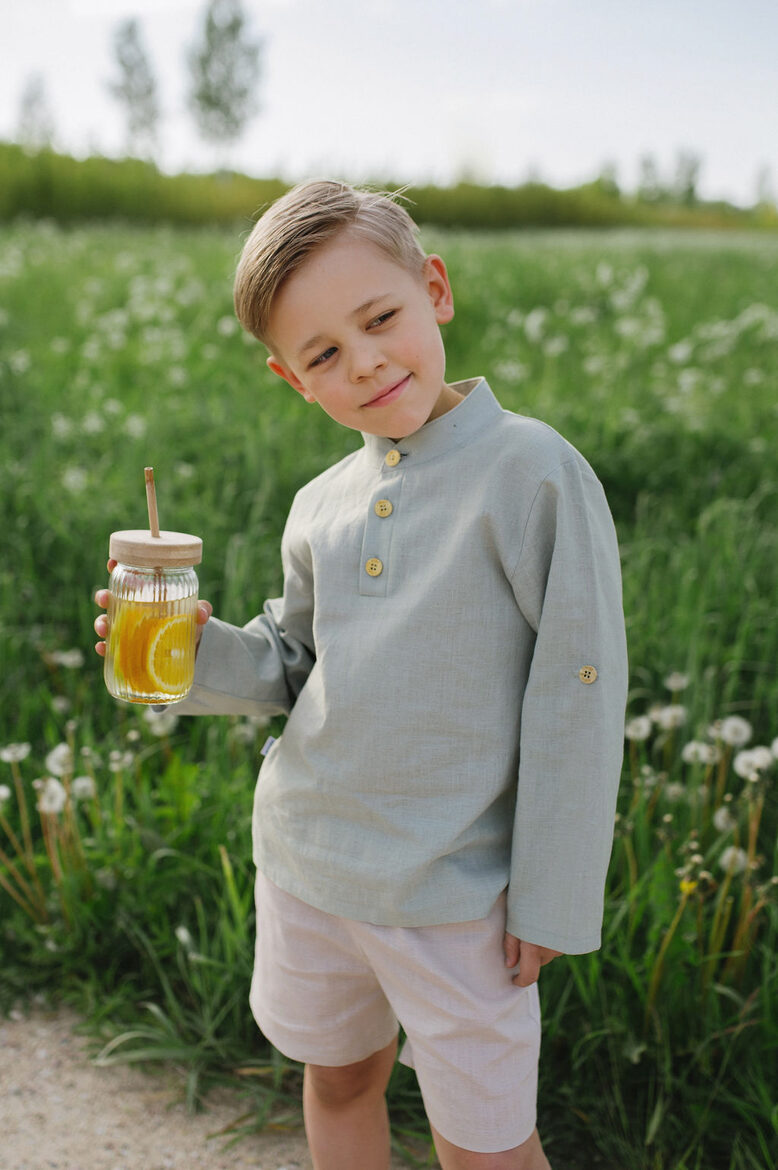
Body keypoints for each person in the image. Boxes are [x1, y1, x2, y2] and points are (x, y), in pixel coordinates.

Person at [94, 179, 628, 1170]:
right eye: (324, 354)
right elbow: (293, 665)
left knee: (485, 1143)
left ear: (435, 289)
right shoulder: (320, 504)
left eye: (380, 318)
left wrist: (554, 896)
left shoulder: (532, 472)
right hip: (310, 869)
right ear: (294, 381)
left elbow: (577, 693)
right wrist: (188, 651)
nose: (366, 362)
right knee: (339, 1078)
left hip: (458, 894)